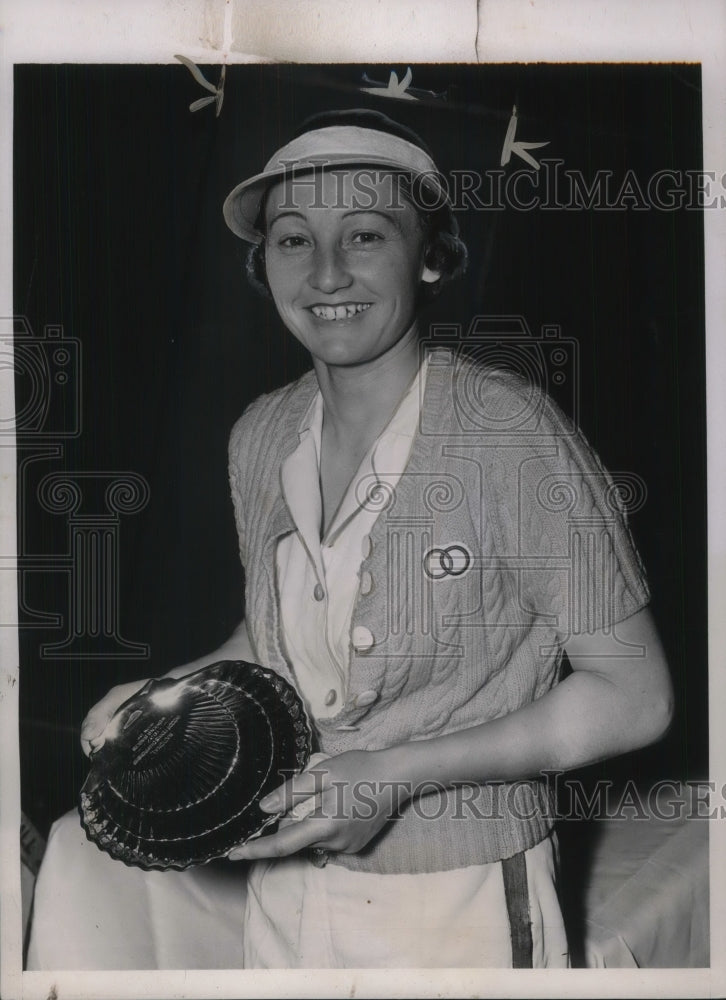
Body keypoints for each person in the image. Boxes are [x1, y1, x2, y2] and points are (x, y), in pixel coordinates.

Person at [28, 109, 673, 970]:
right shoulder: (261, 435)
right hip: (287, 879)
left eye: (366, 234)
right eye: (294, 240)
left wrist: (396, 773)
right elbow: (279, 639)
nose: (328, 271)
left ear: (431, 255)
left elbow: (634, 695)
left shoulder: (506, 432)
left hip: (461, 896)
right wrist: (167, 694)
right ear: (264, 268)